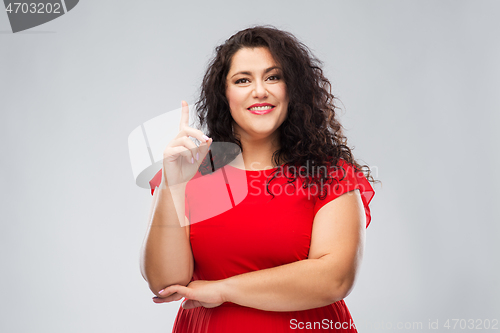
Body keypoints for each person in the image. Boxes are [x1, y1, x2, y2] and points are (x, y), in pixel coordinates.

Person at [140, 25, 378, 332]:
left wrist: (222, 290)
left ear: (292, 88)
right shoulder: (189, 172)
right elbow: (165, 282)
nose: (260, 91)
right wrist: (172, 184)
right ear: (224, 94)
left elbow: (335, 278)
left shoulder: (329, 175)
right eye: (242, 80)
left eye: (273, 77)